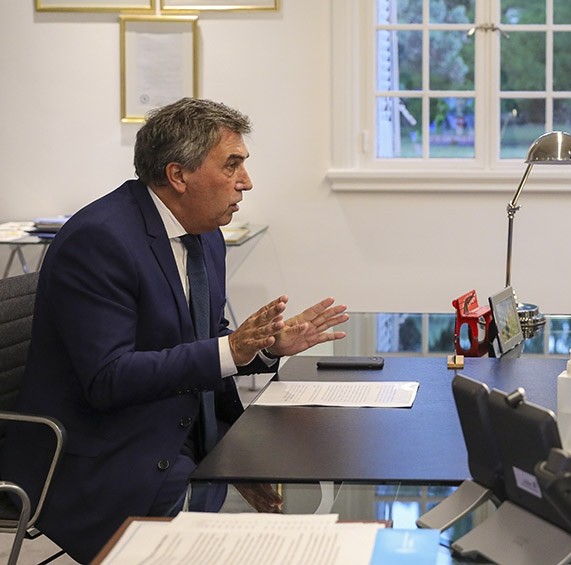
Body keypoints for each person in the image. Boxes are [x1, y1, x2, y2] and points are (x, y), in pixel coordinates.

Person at [0, 97, 350, 562]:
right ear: (178, 175)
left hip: (186, 430)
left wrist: (266, 348)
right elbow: (108, 379)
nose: (246, 182)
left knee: (324, 478)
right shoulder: (99, 240)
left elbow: (207, 339)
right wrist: (232, 349)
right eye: (232, 165)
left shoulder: (206, 232)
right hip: (106, 455)